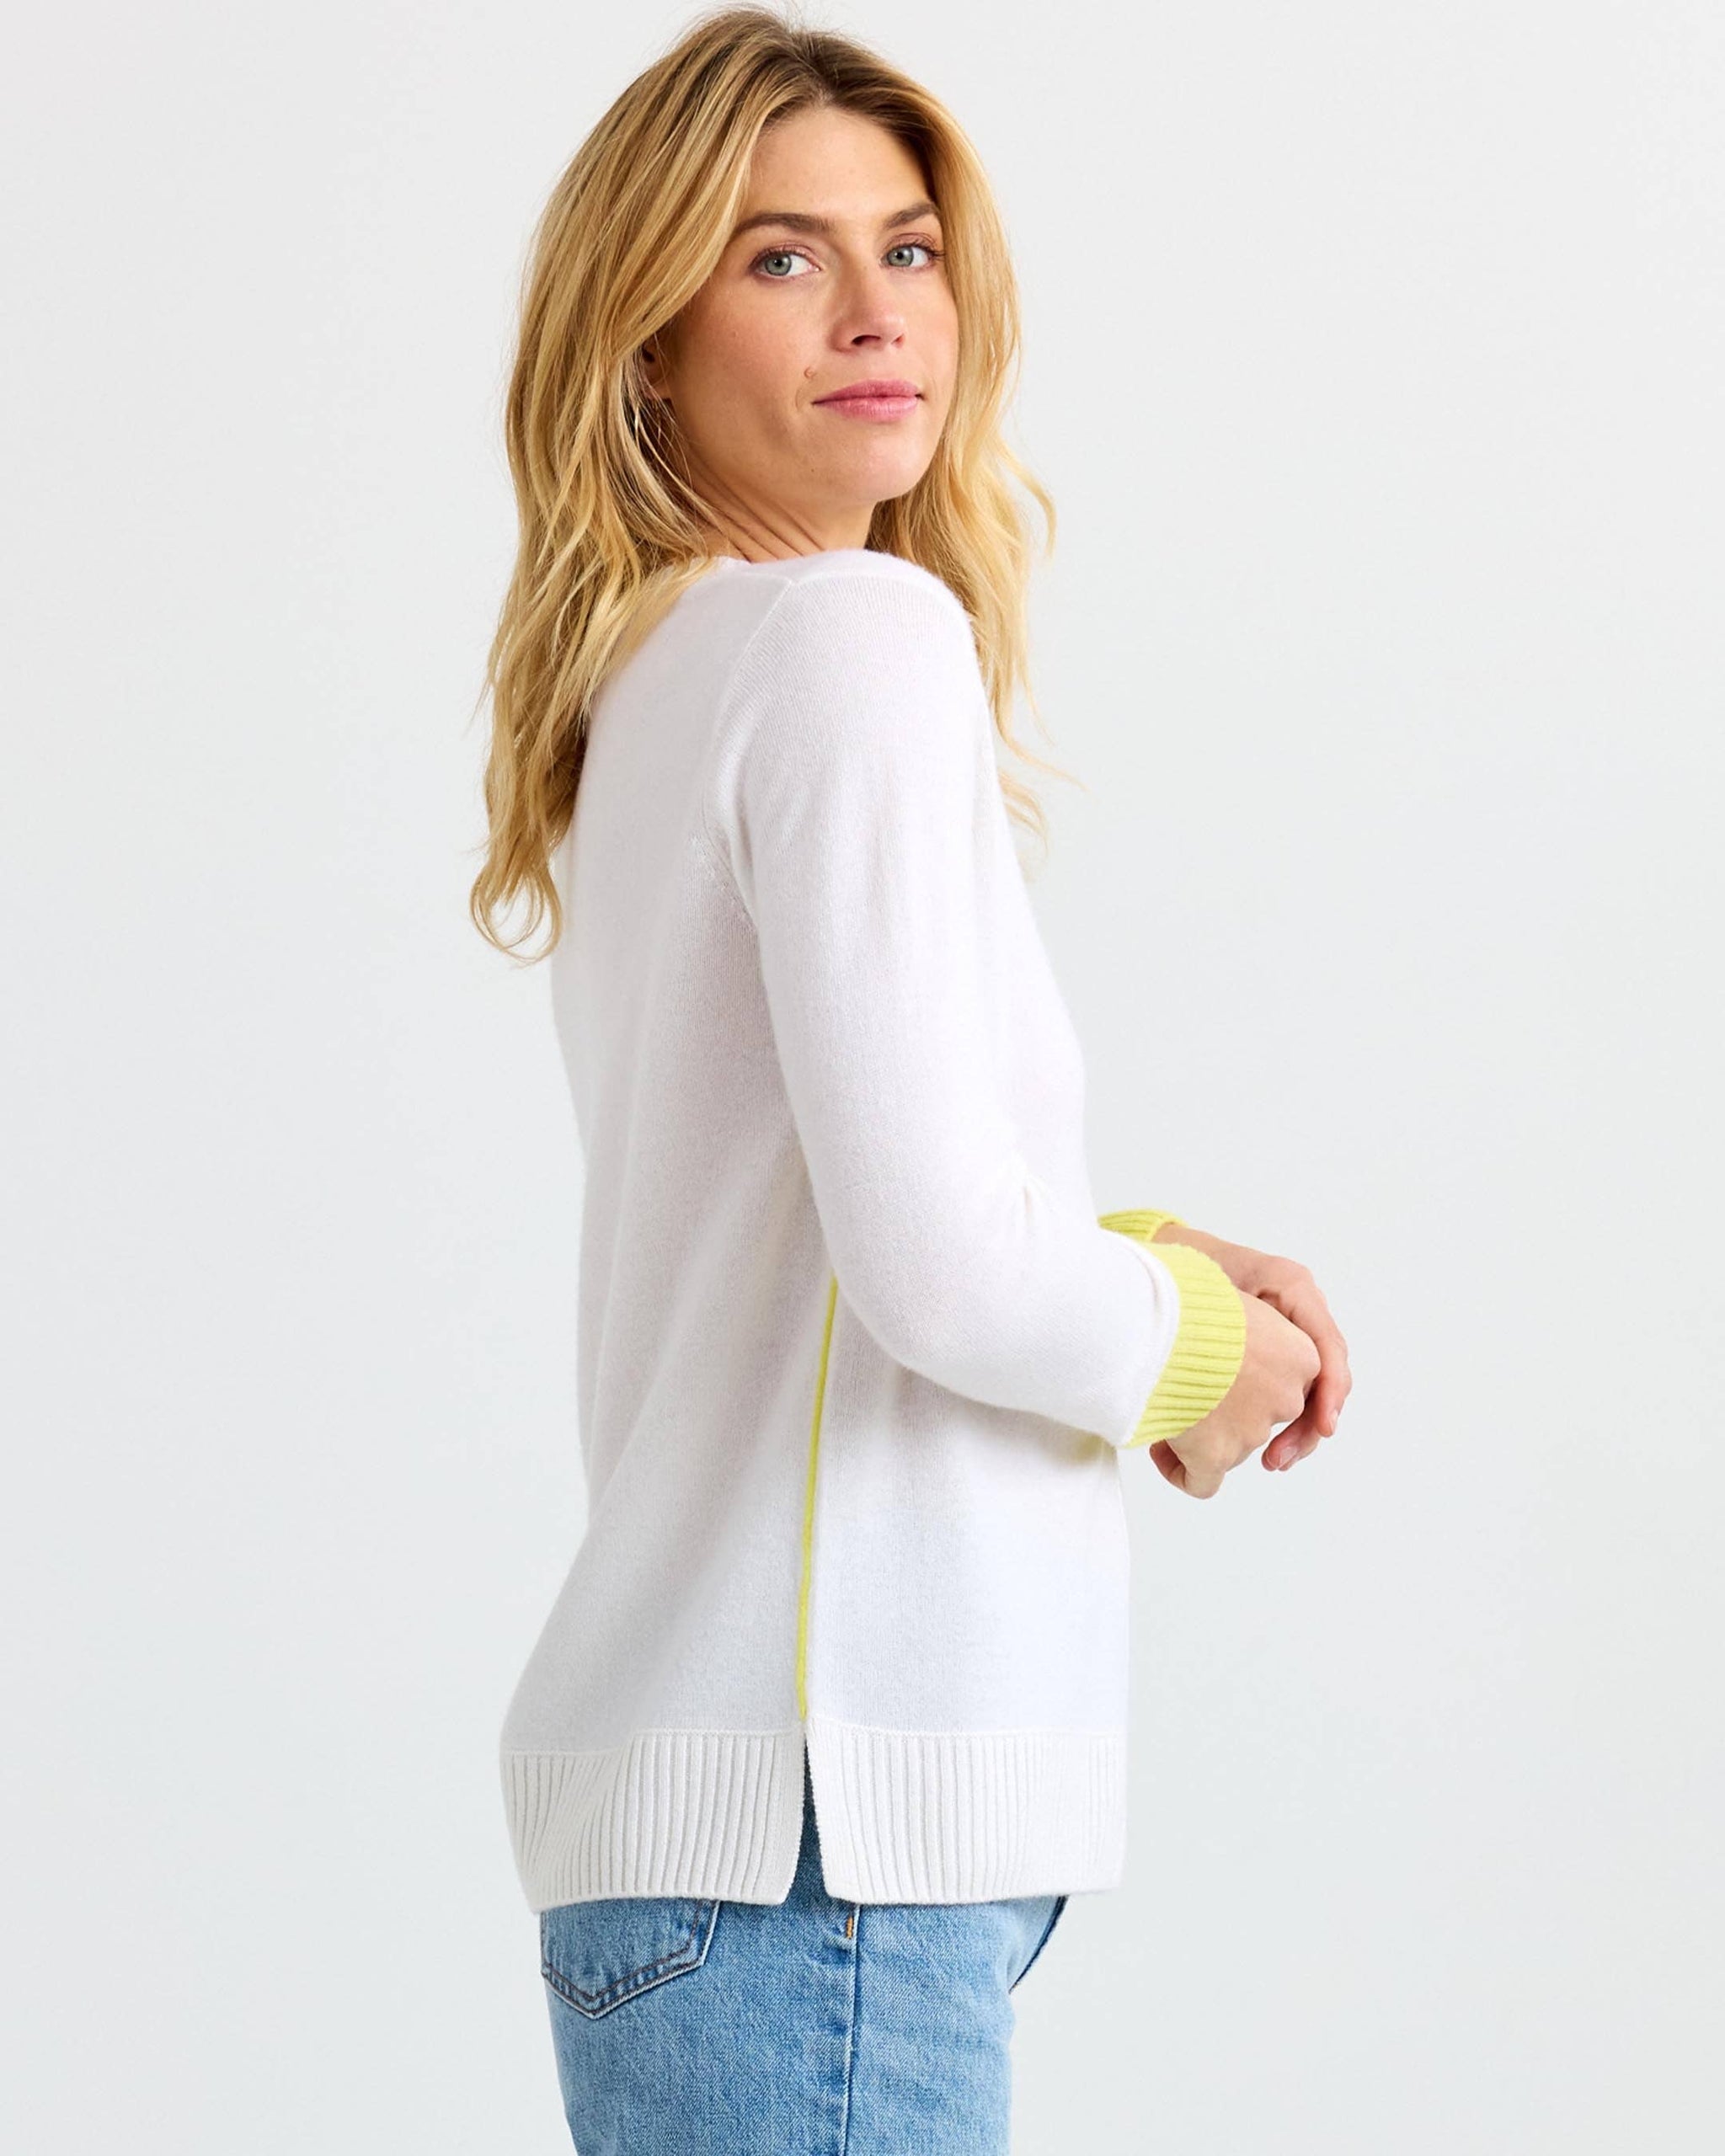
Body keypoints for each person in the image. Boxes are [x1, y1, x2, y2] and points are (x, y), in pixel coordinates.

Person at [468, 8, 1351, 2150]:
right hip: (818, 1833)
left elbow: (804, 1229)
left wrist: (1127, 1254)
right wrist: (1200, 1347)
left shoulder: (666, 671)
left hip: (742, 1823)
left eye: (912, 247)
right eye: (780, 256)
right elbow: (938, 1267)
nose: (879, 311)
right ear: (645, 340)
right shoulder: (846, 638)